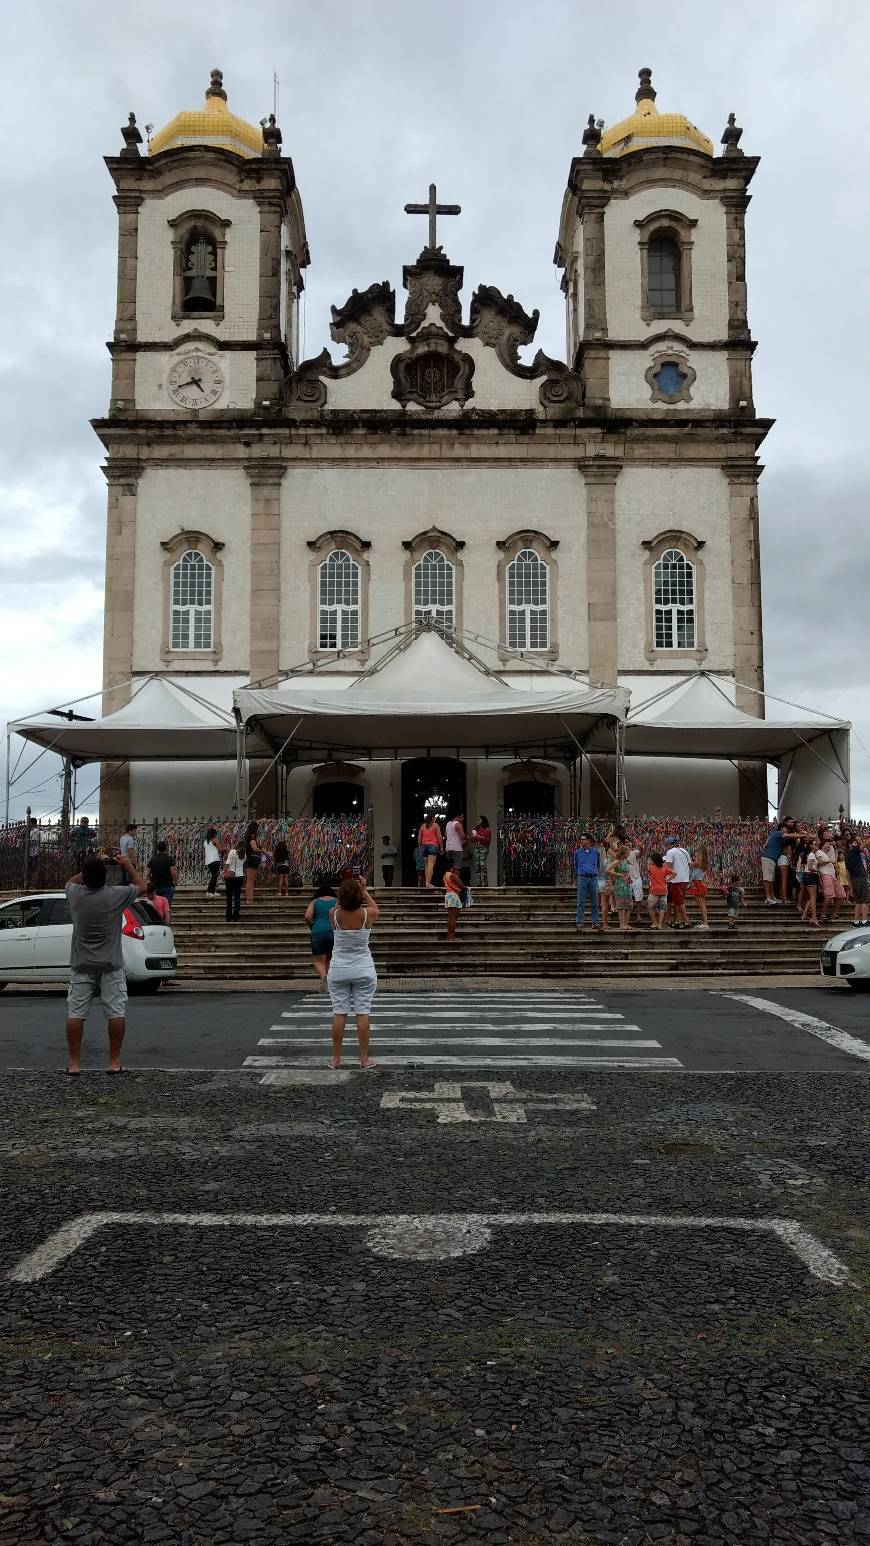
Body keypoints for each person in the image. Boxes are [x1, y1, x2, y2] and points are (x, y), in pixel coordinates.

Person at [64, 847, 147, 1075]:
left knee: (76, 1013)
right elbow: (142, 886)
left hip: (81, 965)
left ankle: (74, 1064)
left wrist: (95, 862)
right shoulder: (115, 894)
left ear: (86, 878)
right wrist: (126, 865)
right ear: (104, 878)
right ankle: (114, 1061)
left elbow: (71, 881)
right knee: (116, 1013)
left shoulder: (75, 894)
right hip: (110, 964)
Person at [327, 876, 379, 1069]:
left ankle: (336, 1059)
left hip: (339, 968)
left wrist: (343, 896)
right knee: (362, 1012)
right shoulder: (367, 914)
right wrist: (364, 891)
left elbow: (338, 906)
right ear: (358, 897)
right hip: (363, 967)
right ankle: (364, 1058)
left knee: (339, 1013)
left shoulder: (334, 914)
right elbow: (377, 909)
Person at [304, 878, 336, 985]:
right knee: (330, 958)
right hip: (333, 932)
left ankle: (324, 979)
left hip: (317, 932)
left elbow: (307, 916)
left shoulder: (315, 902)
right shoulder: (337, 901)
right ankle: (330, 980)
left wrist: (313, 926)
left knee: (318, 960)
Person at [573, 833, 601, 930]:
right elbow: (575, 865)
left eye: (583, 839)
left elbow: (598, 864)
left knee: (595, 902)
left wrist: (594, 871)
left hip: (593, 878)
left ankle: (596, 922)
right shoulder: (577, 852)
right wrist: (580, 873)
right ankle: (579, 923)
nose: (581, 841)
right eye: (581, 839)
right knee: (581, 902)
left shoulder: (596, 852)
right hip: (582, 878)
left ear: (588, 840)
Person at [662, 835, 691, 929]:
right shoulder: (685, 851)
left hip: (676, 880)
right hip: (685, 879)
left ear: (669, 844)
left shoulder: (670, 852)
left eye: (666, 845)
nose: (666, 847)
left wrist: (666, 879)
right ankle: (679, 921)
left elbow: (667, 866)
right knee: (679, 901)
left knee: (679, 902)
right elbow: (689, 864)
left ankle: (686, 921)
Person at [816, 839, 845, 925]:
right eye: (827, 844)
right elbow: (819, 862)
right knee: (829, 896)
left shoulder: (826, 854)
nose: (829, 846)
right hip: (825, 875)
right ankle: (823, 914)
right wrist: (829, 861)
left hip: (832, 875)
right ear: (823, 845)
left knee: (841, 895)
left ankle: (834, 914)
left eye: (829, 844)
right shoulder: (818, 852)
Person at [607, 842, 633, 931]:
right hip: (620, 884)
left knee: (629, 904)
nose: (628, 854)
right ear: (623, 852)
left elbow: (627, 872)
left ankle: (626, 923)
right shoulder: (617, 861)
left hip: (627, 884)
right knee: (621, 904)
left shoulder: (626, 861)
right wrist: (618, 874)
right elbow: (607, 870)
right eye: (627, 852)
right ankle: (622, 924)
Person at [845, 835, 870, 926]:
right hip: (860, 878)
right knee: (865, 900)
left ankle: (856, 921)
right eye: (854, 843)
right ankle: (864, 920)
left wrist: (850, 885)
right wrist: (860, 840)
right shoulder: (854, 851)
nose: (856, 844)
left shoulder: (847, 856)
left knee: (858, 901)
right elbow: (866, 843)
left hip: (854, 880)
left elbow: (847, 872)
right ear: (851, 845)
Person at [147, 840, 177, 914]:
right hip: (167, 885)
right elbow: (173, 872)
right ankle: (166, 921)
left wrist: (150, 881)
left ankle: (158, 921)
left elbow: (148, 873)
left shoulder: (153, 859)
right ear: (166, 848)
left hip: (156, 886)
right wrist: (175, 882)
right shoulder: (169, 859)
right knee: (167, 906)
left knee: (156, 906)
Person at [647, 852, 673, 930]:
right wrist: (668, 880)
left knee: (650, 907)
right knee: (662, 908)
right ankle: (660, 924)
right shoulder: (664, 868)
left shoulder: (651, 868)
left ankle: (655, 923)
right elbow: (675, 873)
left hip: (654, 891)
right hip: (663, 891)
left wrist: (649, 863)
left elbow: (649, 873)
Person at [418, 811, 443, 889]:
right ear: (432, 818)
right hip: (432, 846)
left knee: (427, 865)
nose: (436, 819)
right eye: (435, 817)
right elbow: (439, 837)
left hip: (424, 846)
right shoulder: (435, 825)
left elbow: (419, 838)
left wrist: (419, 847)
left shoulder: (422, 826)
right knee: (431, 865)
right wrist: (441, 847)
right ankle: (428, 883)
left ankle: (427, 882)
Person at [688, 845, 710, 931]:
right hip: (700, 884)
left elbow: (689, 865)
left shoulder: (698, 862)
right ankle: (704, 922)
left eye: (697, 851)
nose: (695, 852)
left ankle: (705, 923)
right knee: (702, 905)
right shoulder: (704, 862)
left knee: (701, 905)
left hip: (697, 884)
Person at [223, 839, 244, 922]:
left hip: (230, 876)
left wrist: (224, 872)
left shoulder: (232, 852)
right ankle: (236, 916)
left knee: (229, 897)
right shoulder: (244, 854)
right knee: (237, 897)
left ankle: (228, 916)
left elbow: (227, 863)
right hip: (240, 876)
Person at [443, 861, 464, 941]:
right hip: (454, 896)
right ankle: (452, 936)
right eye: (456, 868)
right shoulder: (452, 875)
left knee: (450, 916)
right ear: (452, 868)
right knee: (454, 917)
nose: (457, 870)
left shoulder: (445, 875)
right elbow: (461, 885)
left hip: (448, 895)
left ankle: (449, 936)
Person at [800, 845, 820, 927]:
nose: (816, 845)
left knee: (812, 896)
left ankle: (804, 914)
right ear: (811, 846)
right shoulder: (811, 855)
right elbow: (810, 867)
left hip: (808, 876)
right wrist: (818, 871)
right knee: (813, 897)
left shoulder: (809, 855)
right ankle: (814, 917)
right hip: (810, 875)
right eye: (815, 844)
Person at [243, 821, 262, 905]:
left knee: (250, 881)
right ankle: (249, 899)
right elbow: (255, 849)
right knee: (250, 881)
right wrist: (263, 851)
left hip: (250, 859)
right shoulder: (251, 838)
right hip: (253, 859)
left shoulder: (248, 837)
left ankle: (250, 899)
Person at [471, 815, 492, 887]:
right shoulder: (475, 829)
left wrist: (481, 837)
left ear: (483, 821)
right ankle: (479, 882)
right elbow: (472, 840)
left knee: (482, 865)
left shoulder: (487, 830)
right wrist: (474, 837)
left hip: (484, 848)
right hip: (477, 848)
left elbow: (488, 841)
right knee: (477, 865)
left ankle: (485, 882)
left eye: (479, 820)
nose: (477, 821)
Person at [204, 827, 221, 898]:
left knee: (213, 876)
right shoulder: (215, 840)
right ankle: (211, 892)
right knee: (214, 876)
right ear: (214, 834)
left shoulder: (205, 842)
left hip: (208, 861)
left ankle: (211, 891)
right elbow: (220, 849)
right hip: (215, 860)